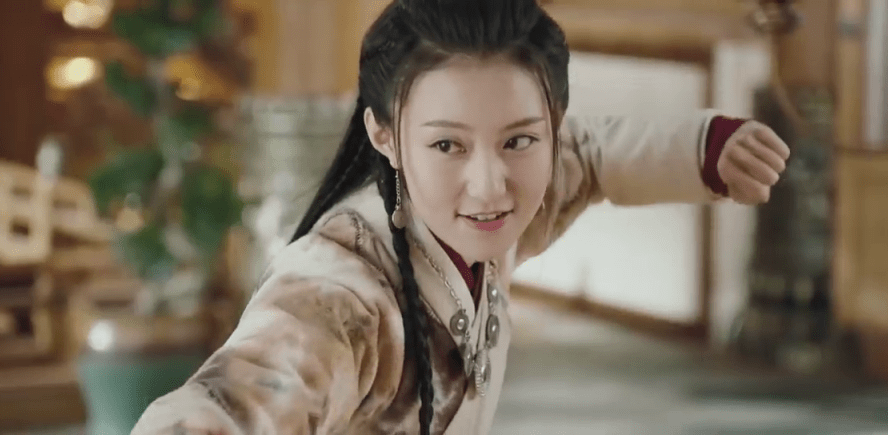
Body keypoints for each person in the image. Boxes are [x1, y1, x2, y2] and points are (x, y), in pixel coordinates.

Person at [130, 0, 790, 433]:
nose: (490, 185)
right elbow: (242, 397)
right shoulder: (343, 291)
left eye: (519, 139)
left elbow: (588, 154)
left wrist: (705, 149)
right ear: (385, 136)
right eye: (448, 145)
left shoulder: (492, 208)